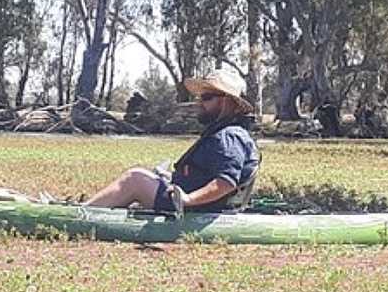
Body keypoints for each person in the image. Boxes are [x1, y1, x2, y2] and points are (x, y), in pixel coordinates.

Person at [85, 69, 260, 213]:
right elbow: (206, 174)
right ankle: (87, 209)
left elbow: (226, 182)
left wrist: (188, 199)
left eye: (206, 97)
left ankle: (80, 215)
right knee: (143, 176)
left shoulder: (229, 136)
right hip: (197, 203)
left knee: (135, 178)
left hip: (196, 207)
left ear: (227, 102)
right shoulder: (229, 133)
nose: (199, 103)